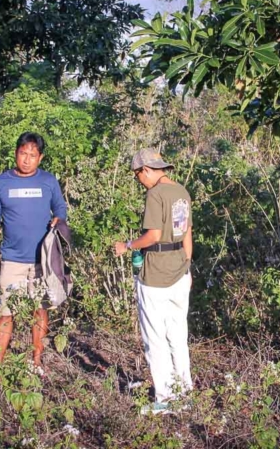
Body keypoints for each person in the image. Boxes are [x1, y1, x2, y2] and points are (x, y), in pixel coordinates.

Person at [114, 148, 193, 414]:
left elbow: (153, 235)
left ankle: (165, 399)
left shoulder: (155, 194)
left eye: (138, 176)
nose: (139, 181)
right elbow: (187, 233)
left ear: (146, 170)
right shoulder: (181, 191)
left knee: (155, 337)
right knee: (178, 334)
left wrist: (127, 245)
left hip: (156, 273)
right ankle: (185, 393)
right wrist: (187, 267)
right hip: (180, 270)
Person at [0, 132, 67, 367]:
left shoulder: (48, 181)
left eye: (32, 155)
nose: (27, 159)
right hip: (12, 260)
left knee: (39, 310)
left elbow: (60, 207)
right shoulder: (1, 183)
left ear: (40, 158)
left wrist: (59, 219)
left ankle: (36, 362)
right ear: (15, 153)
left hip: (42, 260)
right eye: (23, 154)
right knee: (6, 311)